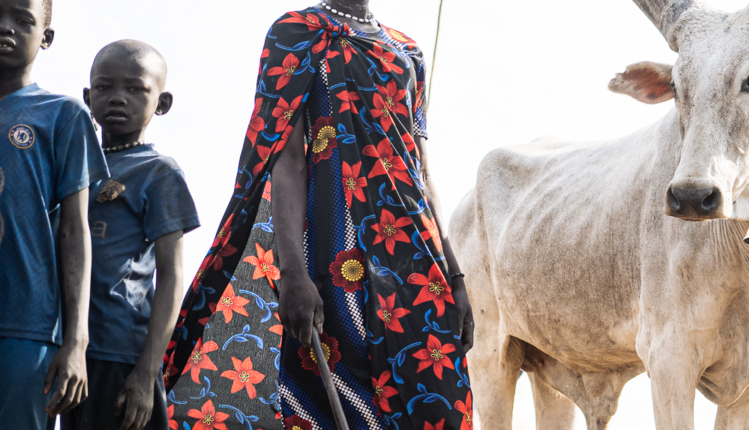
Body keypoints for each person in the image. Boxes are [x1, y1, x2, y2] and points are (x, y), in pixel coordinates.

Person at [161, 2, 475, 429]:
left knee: (437, 400)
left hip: (417, 263)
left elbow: (419, 167)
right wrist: (291, 272)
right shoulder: (296, 31)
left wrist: (454, 276)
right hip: (336, 246)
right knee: (334, 401)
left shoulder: (408, 51)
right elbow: (285, 155)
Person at [57, 40, 198, 430]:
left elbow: (171, 275)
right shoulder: (69, 166)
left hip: (118, 352)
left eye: (136, 89)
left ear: (162, 102)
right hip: (60, 345)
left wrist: (146, 371)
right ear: (88, 96)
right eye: (105, 87)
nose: (118, 98)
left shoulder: (158, 172)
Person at [0, 0, 107, 428]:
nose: (4, 27)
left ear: (45, 38)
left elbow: (74, 232)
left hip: (27, 326)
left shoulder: (62, 114)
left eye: (22, 19)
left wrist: (76, 342)